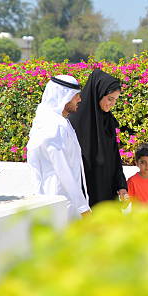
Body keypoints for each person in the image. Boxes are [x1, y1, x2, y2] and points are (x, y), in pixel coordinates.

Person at [26, 75, 91, 220]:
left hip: (65, 201)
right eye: (76, 96)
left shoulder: (56, 121)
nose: (79, 99)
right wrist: (83, 207)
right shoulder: (53, 125)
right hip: (59, 201)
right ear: (64, 96)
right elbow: (63, 170)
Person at [69, 69, 129, 207]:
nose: (112, 104)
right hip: (85, 194)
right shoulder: (75, 122)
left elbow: (114, 156)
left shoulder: (107, 121)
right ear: (98, 94)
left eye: (115, 100)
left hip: (107, 191)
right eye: (110, 98)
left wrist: (121, 186)